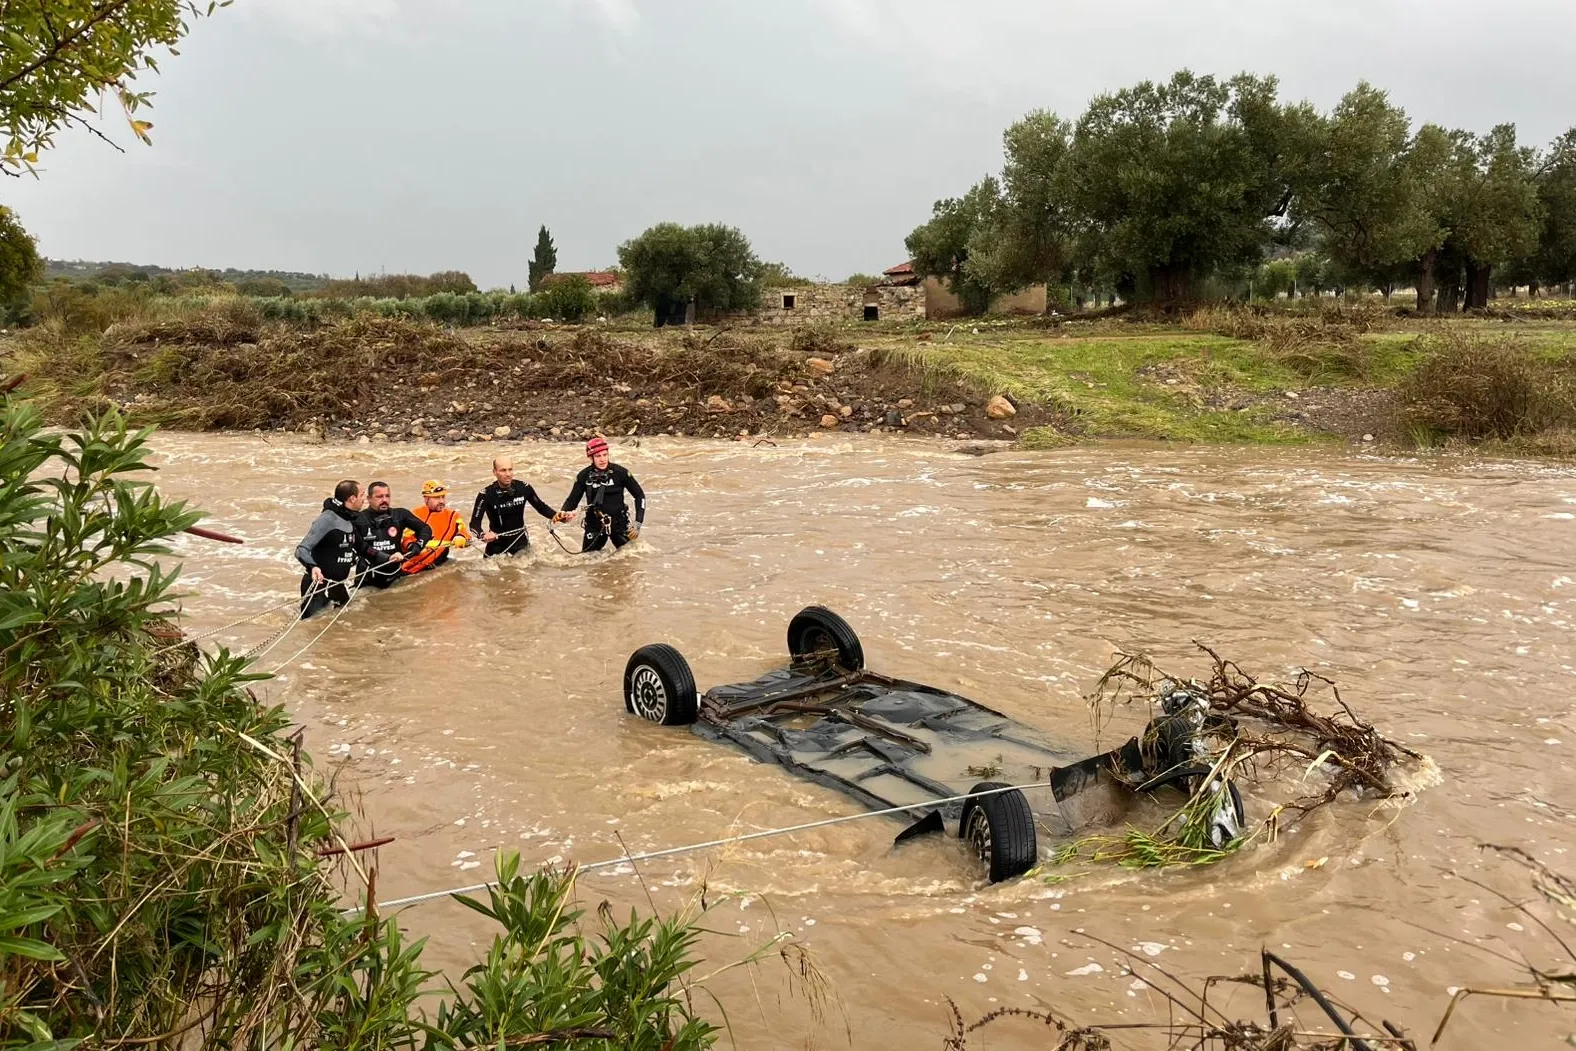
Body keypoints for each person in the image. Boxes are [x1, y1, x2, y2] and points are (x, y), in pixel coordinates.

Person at [559, 436, 645, 552]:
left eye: (605, 455)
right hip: (594, 524)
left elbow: (639, 495)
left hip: (619, 523)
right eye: (598, 456)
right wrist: (562, 514)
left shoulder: (621, 473)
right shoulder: (583, 476)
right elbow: (572, 501)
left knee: (630, 557)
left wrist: (638, 522)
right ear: (591, 457)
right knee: (587, 559)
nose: (602, 459)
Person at [295, 479, 365, 619]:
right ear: (352, 498)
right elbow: (301, 549)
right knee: (311, 627)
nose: (365, 499)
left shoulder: (349, 518)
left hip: (337, 586)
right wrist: (313, 567)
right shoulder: (327, 519)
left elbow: (363, 548)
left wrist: (389, 558)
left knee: (346, 624)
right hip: (317, 587)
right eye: (362, 495)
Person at [469, 457, 564, 557]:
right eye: (503, 470)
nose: (508, 474)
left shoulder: (523, 488)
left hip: (520, 544)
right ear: (494, 472)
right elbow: (474, 525)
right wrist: (483, 535)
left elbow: (541, 507)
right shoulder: (486, 494)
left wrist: (560, 517)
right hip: (496, 547)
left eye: (510, 469)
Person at [357, 481, 432, 588]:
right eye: (379, 497)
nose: (384, 500)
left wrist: (419, 545)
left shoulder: (400, 514)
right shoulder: (358, 519)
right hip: (367, 576)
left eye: (387, 496)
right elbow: (357, 546)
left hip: (395, 575)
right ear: (368, 498)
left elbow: (425, 529)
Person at [401, 480, 470, 574]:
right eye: (437, 497)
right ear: (426, 499)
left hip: (436, 566)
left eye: (443, 497)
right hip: (411, 564)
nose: (441, 501)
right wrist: (411, 545)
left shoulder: (453, 516)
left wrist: (461, 537)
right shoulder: (416, 514)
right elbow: (406, 539)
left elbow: (465, 534)